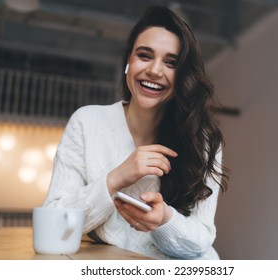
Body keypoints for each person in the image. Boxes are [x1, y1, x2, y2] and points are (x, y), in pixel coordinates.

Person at [43, 5, 228, 260]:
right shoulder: (87, 122)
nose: (154, 70)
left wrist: (164, 219)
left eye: (171, 62)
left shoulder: (202, 139)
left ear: (183, 76)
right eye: (144, 55)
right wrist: (117, 177)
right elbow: (52, 231)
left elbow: (201, 240)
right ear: (128, 61)